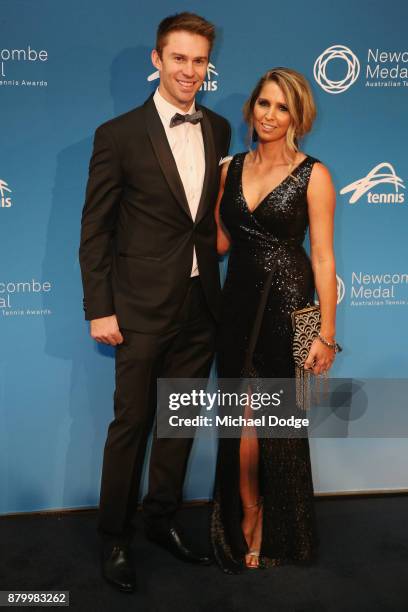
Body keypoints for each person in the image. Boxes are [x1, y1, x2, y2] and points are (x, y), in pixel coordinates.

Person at [79, 12, 230, 592]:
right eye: (179, 59)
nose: (190, 71)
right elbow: (95, 230)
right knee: (132, 425)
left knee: (179, 422)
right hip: (137, 309)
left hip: (199, 306)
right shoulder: (116, 135)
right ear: (157, 60)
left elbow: (205, 221)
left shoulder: (216, 125)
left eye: (199, 61)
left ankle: (161, 520)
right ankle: (115, 537)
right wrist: (100, 307)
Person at [211, 68, 338, 572]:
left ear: (297, 117)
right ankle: (249, 513)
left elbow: (324, 259)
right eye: (264, 104)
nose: (270, 115)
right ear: (252, 109)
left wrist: (325, 335)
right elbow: (220, 243)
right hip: (237, 307)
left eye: (282, 107)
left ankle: (284, 529)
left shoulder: (315, 174)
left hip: (291, 307)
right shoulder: (230, 170)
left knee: (281, 427)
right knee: (240, 427)